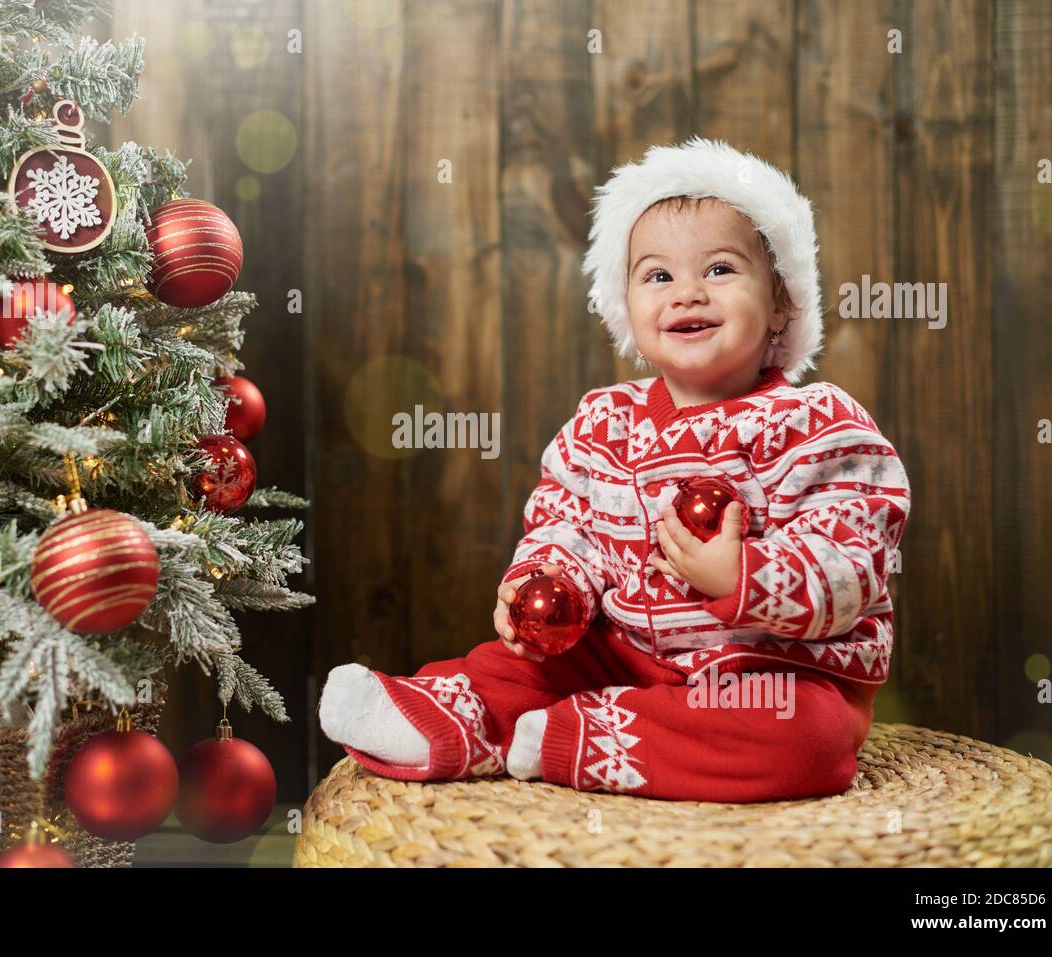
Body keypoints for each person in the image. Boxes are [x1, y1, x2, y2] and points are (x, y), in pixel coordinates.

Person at [319, 136, 912, 802]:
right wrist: (547, 584)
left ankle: (580, 737)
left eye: (719, 269)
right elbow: (564, 523)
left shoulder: (818, 426)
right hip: (625, 654)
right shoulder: (603, 423)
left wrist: (739, 575)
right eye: (658, 276)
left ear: (780, 303)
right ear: (625, 306)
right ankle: (450, 715)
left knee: (812, 742)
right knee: (517, 663)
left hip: (771, 674)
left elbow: (853, 564)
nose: (687, 293)